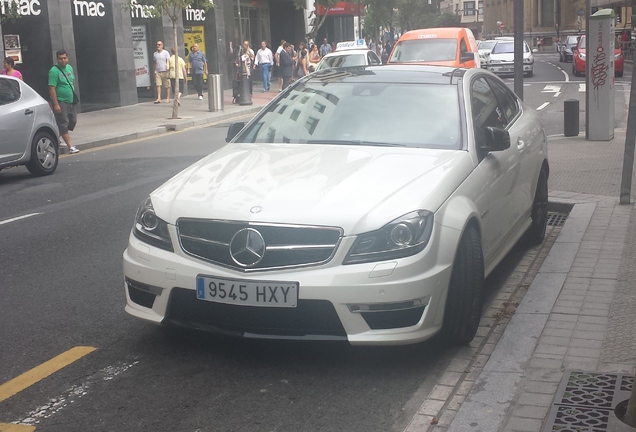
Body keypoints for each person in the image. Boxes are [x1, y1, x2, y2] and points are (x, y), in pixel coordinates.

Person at [48, 49, 79, 154]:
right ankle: (70, 146)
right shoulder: (54, 71)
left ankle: (57, 136)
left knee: (73, 121)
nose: (63, 60)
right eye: (60, 58)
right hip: (61, 101)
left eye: (64, 58)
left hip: (71, 100)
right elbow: (52, 88)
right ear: (57, 59)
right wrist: (56, 104)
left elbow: (72, 80)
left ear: (67, 58)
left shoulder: (69, 68)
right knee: (63, 122)